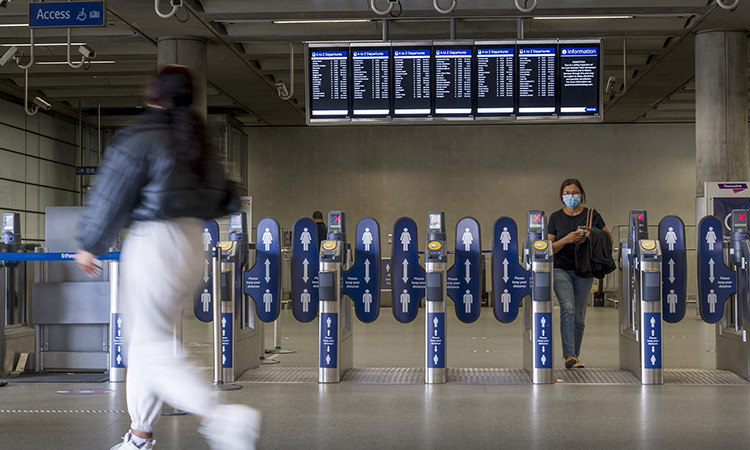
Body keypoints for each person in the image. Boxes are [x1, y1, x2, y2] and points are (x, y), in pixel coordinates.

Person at [75, 66, 260, 450]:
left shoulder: (141, 135)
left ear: (153, 94)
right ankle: (140, 435)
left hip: (155, 244)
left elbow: (111, 192)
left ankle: (220, 417)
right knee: (150, 342)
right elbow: (227, 196)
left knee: (149, 347)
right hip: (195, 243)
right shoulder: (199, 139)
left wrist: (89, 241)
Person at [547, 178, 611, 370]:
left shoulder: (592, 215)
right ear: (561, 196)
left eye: (574, 193)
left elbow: (609, 238)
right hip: (560, 269)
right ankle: (568, 355)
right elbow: (548, 247)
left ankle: (574, 354)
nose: (570, 196)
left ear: (581, 194)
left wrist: (592, 234)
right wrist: (567, 239)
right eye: (566, 193)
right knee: (568, 308)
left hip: (584, 269)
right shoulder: (555, 217)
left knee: (579, 315)